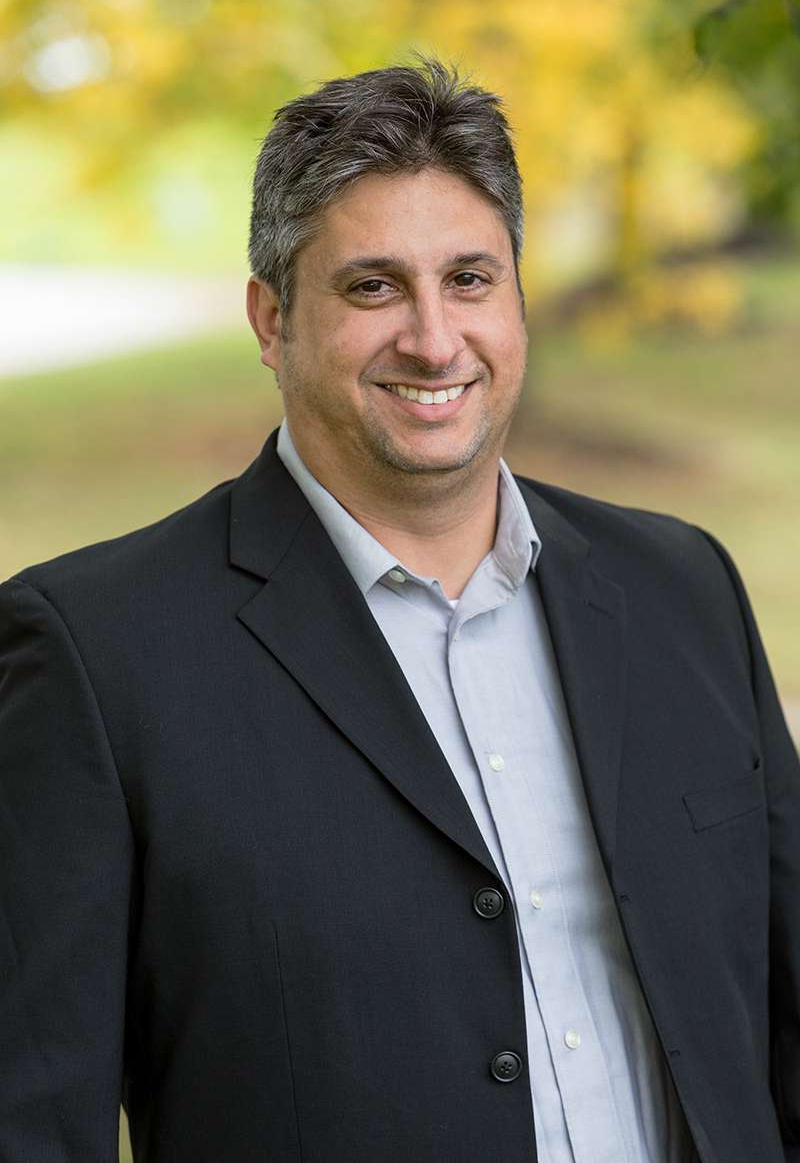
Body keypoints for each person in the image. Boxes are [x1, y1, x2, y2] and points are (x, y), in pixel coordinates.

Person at [0, 57, 797, 1163]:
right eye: (372, 287)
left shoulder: (681, 587)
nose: (432, 338)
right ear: (272, 320)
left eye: (468, 278)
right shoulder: (93, 655)